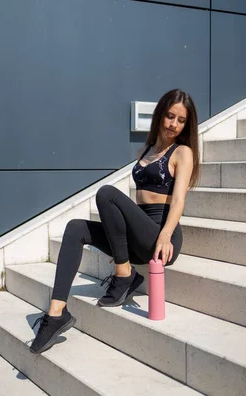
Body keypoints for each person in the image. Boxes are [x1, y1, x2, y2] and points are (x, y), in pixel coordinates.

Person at [30, 89, 201, 354]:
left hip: (160, 235)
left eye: (181, 121)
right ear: (160, 114)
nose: (174, 125)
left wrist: (165, 235)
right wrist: (119, 238)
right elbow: (133, 207)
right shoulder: (147, 149)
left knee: (107, 193)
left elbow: (178, 201)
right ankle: (56, 313)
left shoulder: (183, 153)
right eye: (170, 116)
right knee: (75, 228)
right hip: (141, 230)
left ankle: (124, 274)